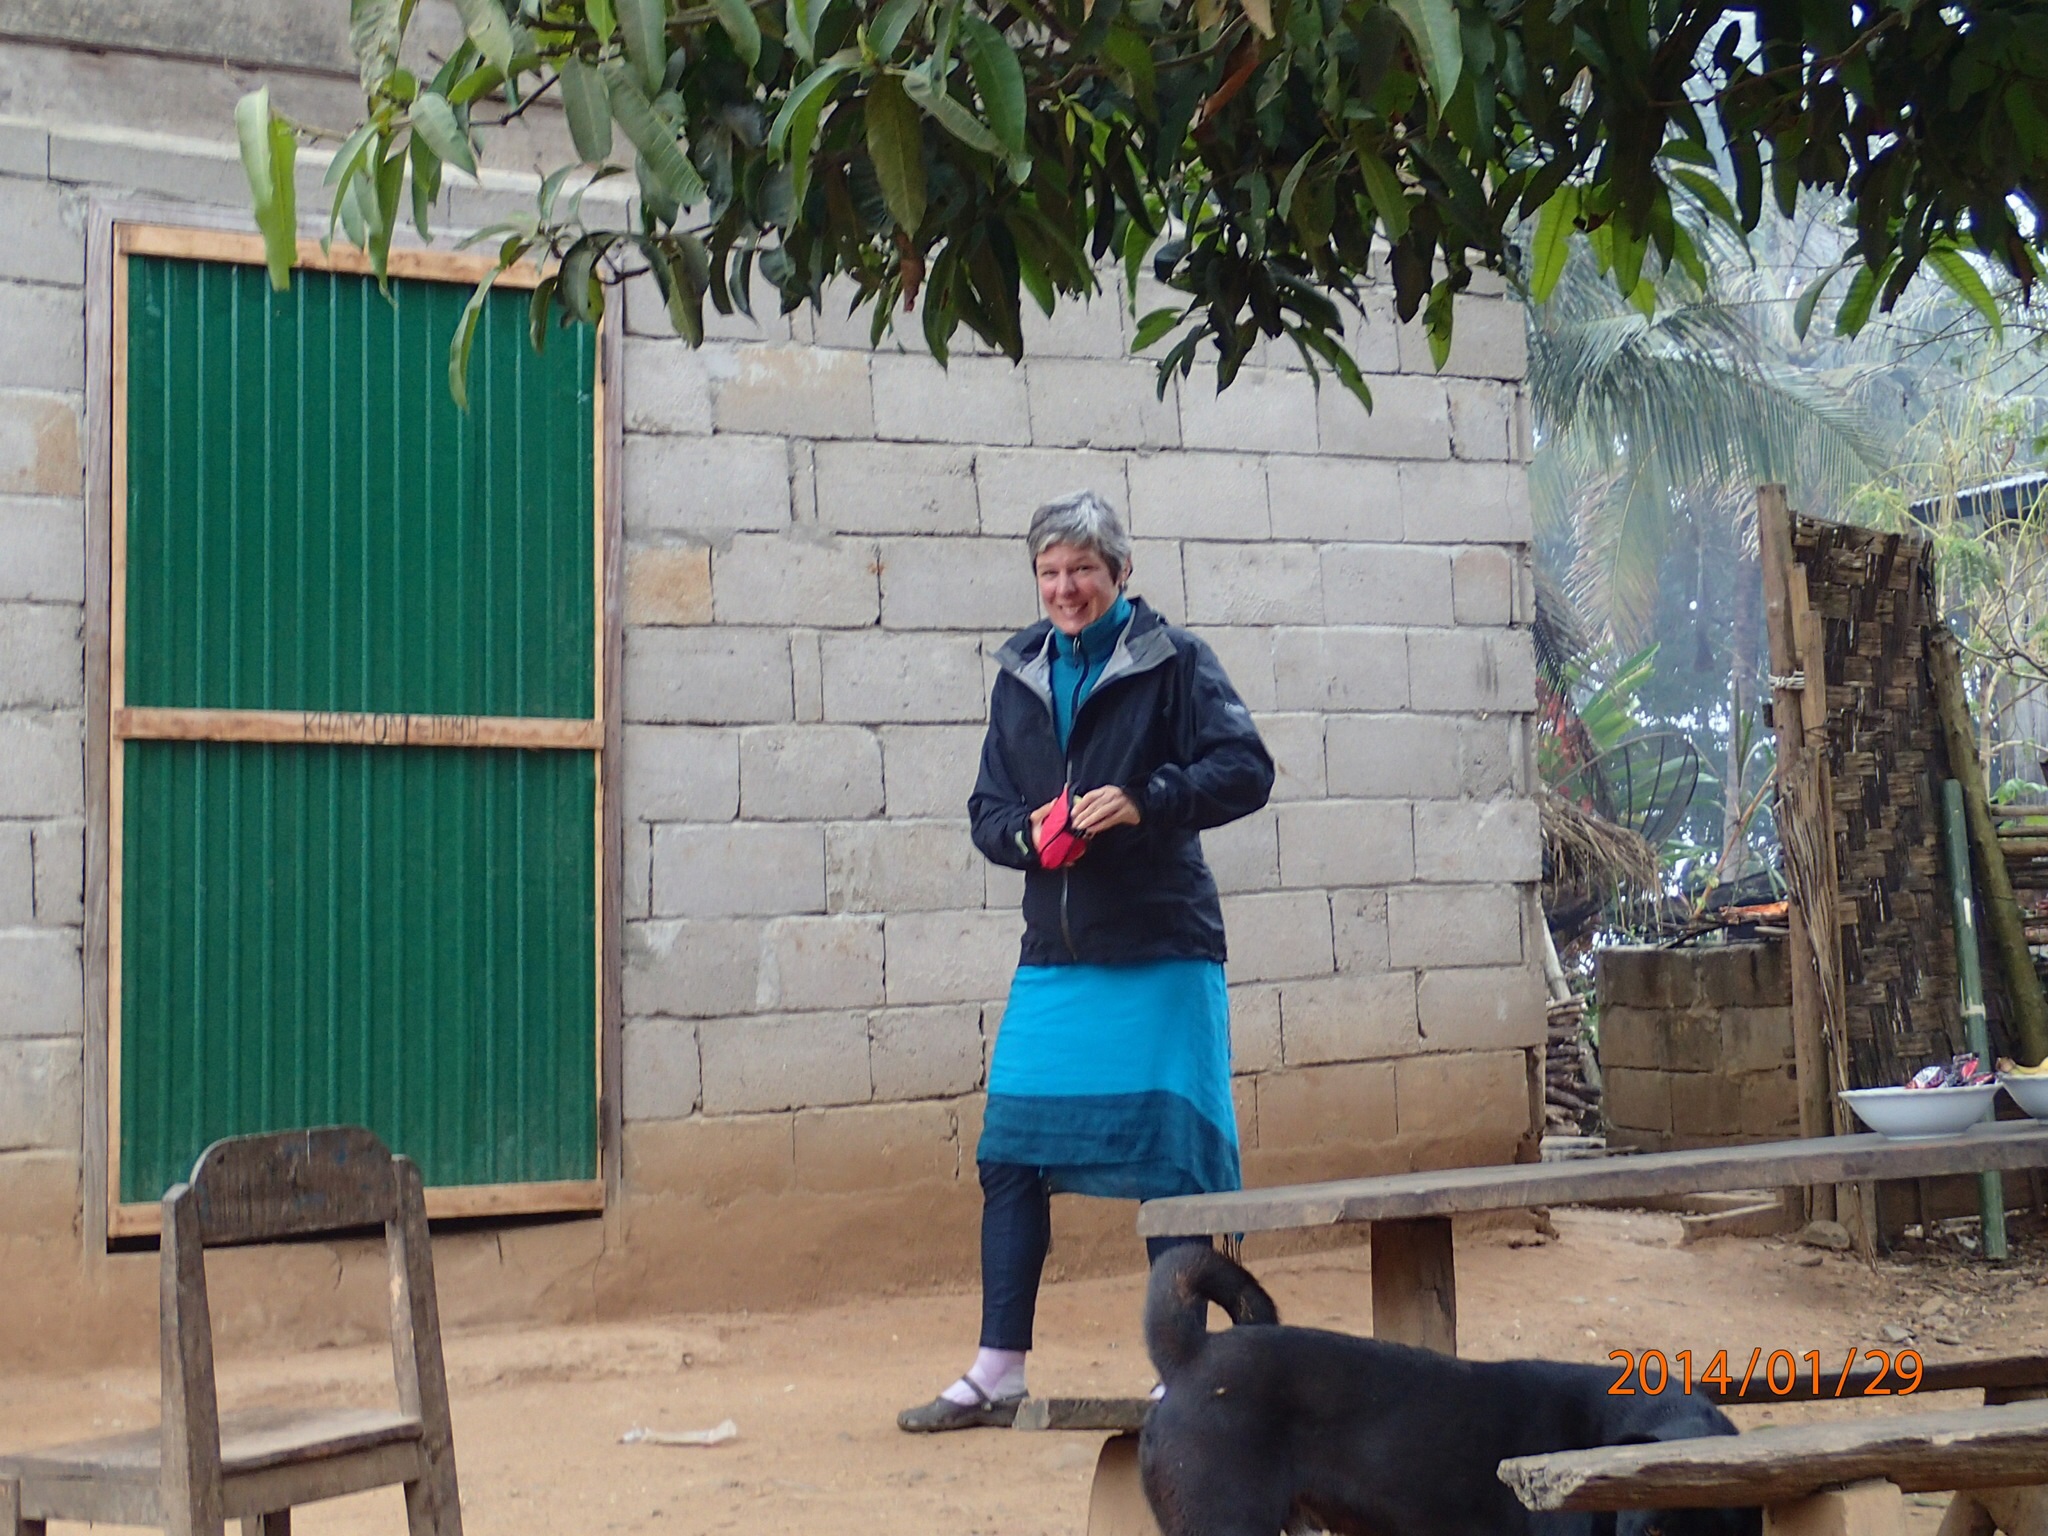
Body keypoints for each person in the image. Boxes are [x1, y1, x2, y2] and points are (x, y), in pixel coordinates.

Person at [897, 490, 1275, 1432]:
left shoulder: (1175, 661)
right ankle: (998, 1371)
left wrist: (1147, 798)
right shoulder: (1020, 672)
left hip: (1163, 949)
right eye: (1050, 572)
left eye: (1084, 571)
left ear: (1121, 573)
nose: (1065, 588)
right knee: (1008, 1156)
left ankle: (1183, 1377)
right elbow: (986, 811)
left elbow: (1247, 769)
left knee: (1172, 1167)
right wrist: (1025, 836)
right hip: (1056, 957)